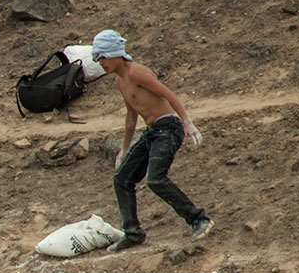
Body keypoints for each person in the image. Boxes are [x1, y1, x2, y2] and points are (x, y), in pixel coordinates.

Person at [90, 29, 212, 248]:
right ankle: (133, 233)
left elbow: (168, 94)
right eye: (98, 58)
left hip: (168, 128)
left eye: (103, 57)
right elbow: (131, 117)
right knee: (121, 178)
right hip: (151, 132)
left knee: (155, 179)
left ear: (116, 53)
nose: (101, 62)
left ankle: (198, 219)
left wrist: (186, 122)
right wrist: (124, 150)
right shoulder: (121, 82)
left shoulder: (136, 73)